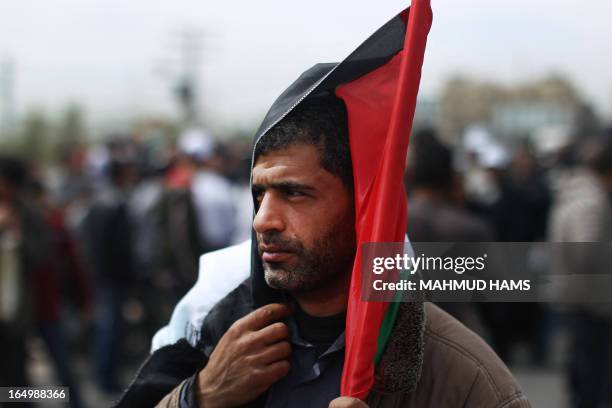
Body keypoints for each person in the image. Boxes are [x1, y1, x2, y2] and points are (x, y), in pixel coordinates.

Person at [548, 134, 612, 408]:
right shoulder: (593, 201)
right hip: (591, 303)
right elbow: (585, 250)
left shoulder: (575, 192)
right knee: (591, 380)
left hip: (575, 297)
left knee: (581, 375)